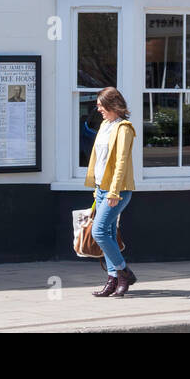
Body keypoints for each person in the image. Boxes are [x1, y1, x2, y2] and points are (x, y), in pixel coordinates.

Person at [84, 87, 137, 297]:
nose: (98, 109)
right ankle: (113, 280)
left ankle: (124, 272)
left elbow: (121, 163)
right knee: (107, 233)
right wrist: (98, 189)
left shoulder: (124, 128)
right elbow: (100, 160)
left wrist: (114, 192)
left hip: (119, 191)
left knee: (98, 231)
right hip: (102, 188)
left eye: (100, 104)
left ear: (112, 104)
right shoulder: (105, 125)